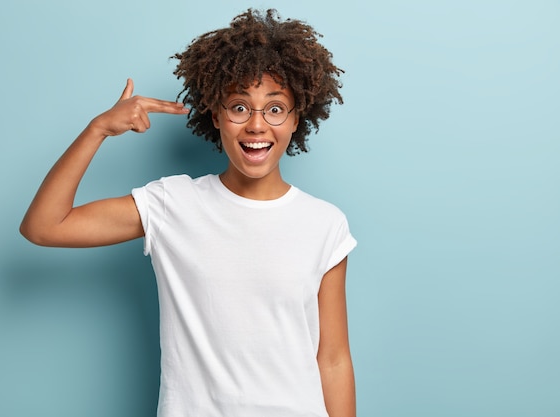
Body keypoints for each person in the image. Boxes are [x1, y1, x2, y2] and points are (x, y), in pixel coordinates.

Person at [20, 8, 357, 417]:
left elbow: (334, 359)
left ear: (295, 118)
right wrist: (98, 130)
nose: (256, 125)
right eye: (238, 107)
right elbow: (43, 226)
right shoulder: (172, 205)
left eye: (274, 108)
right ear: (216, 115)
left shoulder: (324, 223)